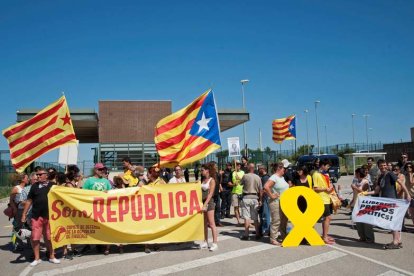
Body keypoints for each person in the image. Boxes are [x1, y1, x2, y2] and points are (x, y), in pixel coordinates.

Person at [364, 159, 412, 249]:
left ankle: (395, 241)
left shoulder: (390, 174)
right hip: (385, 201)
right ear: (378, 166)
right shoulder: (381, 176)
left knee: (392, 222)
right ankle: (398, 240)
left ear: (386, 165)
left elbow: (401, 183)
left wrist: (408, 194)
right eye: (381, 166)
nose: (383, 167)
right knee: (393, 221)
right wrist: (365, 193)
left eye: (384, 165)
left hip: (392, 201)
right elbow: (376, 190)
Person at [21, 168, 60, 266]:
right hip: (36, 216)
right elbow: (29, 201)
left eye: (40, 174)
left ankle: (52, 256)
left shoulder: (53, 186)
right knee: (35, 238)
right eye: (37, 175)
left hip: (50, 217)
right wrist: (24, 214)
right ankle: (37, 258)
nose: (37, 176)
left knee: (49, 238)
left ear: (46, 175)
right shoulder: (34, 186)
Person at [81, 163, 112, 255]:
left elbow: (111, 193)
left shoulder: (106, 181)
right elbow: (83, 193)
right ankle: (91, 244)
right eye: (100, 169)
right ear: (95, 170)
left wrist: (108, 192)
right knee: (94, 228)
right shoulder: (89, 181)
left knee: (105, 228)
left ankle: (104, 246)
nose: (102, 171)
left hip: (104, 208)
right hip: (92, 208)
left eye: (103, 170)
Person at [264, 162, 289, 246]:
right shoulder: (274, 177)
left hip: (284, 202)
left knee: (284, 221)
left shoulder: (281, 177)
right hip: (276, 202)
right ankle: (273, 238)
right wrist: (271, 195)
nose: (284, 170)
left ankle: (284, 235)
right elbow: (266, 186)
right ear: (279, 169)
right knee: (276, 220)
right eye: (283, 168)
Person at [313, 159, 335, 245]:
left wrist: (330, 187)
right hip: (321, 199)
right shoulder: (316, 174)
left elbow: (327, 185)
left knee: (326, 218)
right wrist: (326, 189)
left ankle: (324, 235)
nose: (328, 167)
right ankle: (324, 237)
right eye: (327, 166)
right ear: (322, 165)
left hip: (327, 198)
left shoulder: (326, 174)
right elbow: (315, 188)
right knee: (328, 218)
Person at [240, 163, 262, 240]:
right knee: (255, 217)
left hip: (246, 197)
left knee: (246, 217)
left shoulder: (245, 176)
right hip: (255, 197)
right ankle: (258, 234)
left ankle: (246, 234)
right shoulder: (258, 177)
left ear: (248, 168)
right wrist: (260, 200)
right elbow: (260, 190)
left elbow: (240, 183)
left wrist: (238, 178)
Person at [352, 168, 374, 243]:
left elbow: (364, 191)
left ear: (358, 173)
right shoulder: (356, 181)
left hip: (365, 204)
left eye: (356, 173)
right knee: (358, 221)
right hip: (357, 203)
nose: (355, 175)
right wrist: (352, 201)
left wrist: (354, 187)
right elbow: (355, 193)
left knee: (366, 222)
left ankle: (369, 238)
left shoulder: (365, 182)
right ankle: (362, 237)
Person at [199, 163, 218, 251]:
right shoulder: (202, 180)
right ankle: (205, 241)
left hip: (209, 203)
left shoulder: (212, 180)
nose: (201, 171)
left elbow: (210, 194)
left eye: (202, 170)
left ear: (207, 171)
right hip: (202, 203)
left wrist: (205, 204)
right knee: (204, 224)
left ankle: (215, 243)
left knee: (211, 223)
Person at [229, 161, 244, 225]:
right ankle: (238, 221)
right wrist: (233, 184)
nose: (238, 166)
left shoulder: (243, 172)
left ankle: (245, 221)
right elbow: (229, 182)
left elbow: (246, 180)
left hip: (242, 191)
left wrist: (240, 178)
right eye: (237, 165)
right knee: (236, 207)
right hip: (234, 192)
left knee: (243, 207)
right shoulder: (232, 173)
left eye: (239, 165)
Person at [258, 165, 270, 236]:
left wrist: (260, 199)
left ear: (263, 169)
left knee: (265, 215)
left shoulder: (265, 178)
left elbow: (263, 190)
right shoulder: (264, 177)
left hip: (265, 198)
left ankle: (267, 230)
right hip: (265, 198)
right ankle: (262, 229)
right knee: (263, 214)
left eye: (259, 169)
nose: (258, 170)